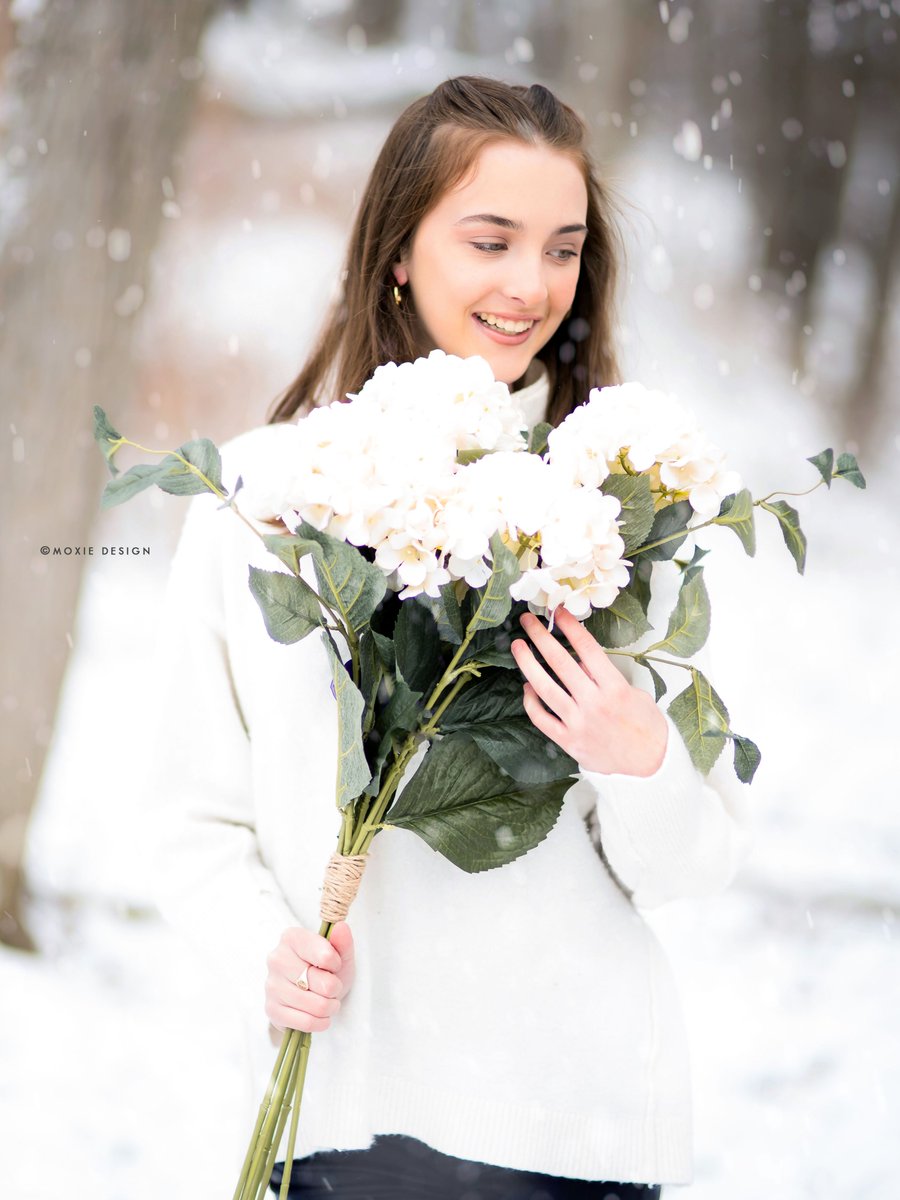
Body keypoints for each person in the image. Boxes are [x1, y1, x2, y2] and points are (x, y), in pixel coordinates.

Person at [147, 76, 751, 1199]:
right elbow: (191, 816)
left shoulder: (619, 514)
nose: (532, 286)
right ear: (399, 253)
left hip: (573, 1124)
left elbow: (692, 867)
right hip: (342, 1109)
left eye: (563, 250)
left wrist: (641, 757)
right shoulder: (263, 496)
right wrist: (262, 951)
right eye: (492, 240)